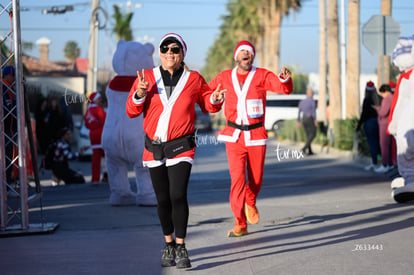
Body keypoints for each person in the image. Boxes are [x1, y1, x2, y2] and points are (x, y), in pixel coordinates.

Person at [125, 33, 225, 269]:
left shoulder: (193, 79)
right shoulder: (146, 77)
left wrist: (216, 99)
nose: (170, 53)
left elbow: (207, 102)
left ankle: (181, 246)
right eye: (165, 49)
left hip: (182, 146)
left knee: (177, 195)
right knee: (162, 200)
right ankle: (168, 242)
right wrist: (139, 93)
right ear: (159, 53)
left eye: (175, 49)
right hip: (154, 148)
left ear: (182, 54)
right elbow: (131, 110)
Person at [208, 40, 293, 237]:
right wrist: (213, 98)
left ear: (252, 57)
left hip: (256, 136)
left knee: (256, 179)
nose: (246, 54)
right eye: (242, 51)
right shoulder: (224, 77)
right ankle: (240, 223)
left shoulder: (262, 75)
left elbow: (283, 88)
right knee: (237, 181)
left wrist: (285, 80)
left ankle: (251, 201)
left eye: (249, 51)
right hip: (234, 137)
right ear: (236, 57)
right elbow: (206, 95)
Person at [388, 35, 414, 203]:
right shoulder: (407, 77)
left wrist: (396, 124)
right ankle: (409, 177)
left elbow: (403, 102)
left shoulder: (408, 78)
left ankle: (410, 178)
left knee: (407, 142)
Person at [356, 81, 381, 171]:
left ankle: (374, 163)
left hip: (369, 124)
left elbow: (364, 114)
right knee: (379, 143)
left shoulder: (366, 100)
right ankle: (381, 162)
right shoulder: (378, 98)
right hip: (379, 123)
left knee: (372, 143)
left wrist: (358, 126)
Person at [84, 91, 107, 185]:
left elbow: (86, 125)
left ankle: (95, 179)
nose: (100, 100)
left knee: (95, 159)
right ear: (94, 100)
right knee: (108, 157)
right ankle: (108, 176)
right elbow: (105, 121)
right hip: (101, 135)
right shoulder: (99, 109)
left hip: (93, 136)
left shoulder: (88, 111)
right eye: (99, 98)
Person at [373, 84, 394, 173]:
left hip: (384, 123)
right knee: (388, 145)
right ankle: (389, 163)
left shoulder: (387, 99)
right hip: (389, 122)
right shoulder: (392, 97)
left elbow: (383, 112)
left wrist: (378, 109)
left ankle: (385, 164)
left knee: (384, 144)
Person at [2, 65, 16, 186]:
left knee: (10, 155)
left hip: (10, 129)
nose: (13, 79)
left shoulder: (11, 89)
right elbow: (7, 109)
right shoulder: (3, 89)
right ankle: (5, 179)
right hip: (5, 129)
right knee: (6, 155)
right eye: (11, 76)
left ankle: (8, 178)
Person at [297, 88, 318, 155]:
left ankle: (310, 151)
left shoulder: (302, 101)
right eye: (313, 93)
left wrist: (298, 121)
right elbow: (313, 112)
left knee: (308, 135)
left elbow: (299, 111)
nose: (313, 95)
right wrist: (315, 120)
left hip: (304, 119)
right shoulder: (312, 101)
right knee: (313, 134)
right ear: (310, 94)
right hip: (310, 119)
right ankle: (304, 148)